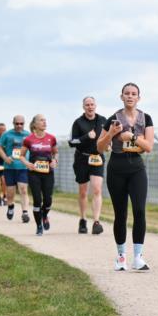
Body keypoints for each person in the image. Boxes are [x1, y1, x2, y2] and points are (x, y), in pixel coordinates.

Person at [97, 83, 154, 271]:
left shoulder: (146, 118)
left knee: (139, 210)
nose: (130, 96)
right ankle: (121, 256)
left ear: (139, 97)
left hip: (136, 168)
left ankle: (138, 256)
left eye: (134, 94)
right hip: (117, 167)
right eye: (127, 94)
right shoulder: (113, 119)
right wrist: (112, 134)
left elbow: (148, 147)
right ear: (121, 97)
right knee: (120, 213)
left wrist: (132, 137)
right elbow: (99, 147)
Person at [69, 96, 107, 234]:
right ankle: (83, 219)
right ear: (83, 107)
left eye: (92, 104)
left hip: (97, 158)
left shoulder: (103, 120)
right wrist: (86, 137)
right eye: (87, 105)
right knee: (83, 191)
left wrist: (108, 145)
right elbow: (72, 142)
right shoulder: (78, 123)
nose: (90, 107)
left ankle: (96, 222)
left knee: (97, 189)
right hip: (82, 159)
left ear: (95, 105)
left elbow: (109, 136)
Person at [21, 114, 59, 236]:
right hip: (34, 173)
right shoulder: (28, 139)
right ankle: (38, 226)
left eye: (45, 120)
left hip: (48, 173)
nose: (44, 122)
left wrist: (55, 161)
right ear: (35, 124)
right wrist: (27, 164)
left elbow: (56, 153)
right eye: (41, 120)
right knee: (37, 200)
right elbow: (21, 156)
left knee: (48, 200)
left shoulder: (51, 138)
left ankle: (45, 215)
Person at [0, 115, 32, 223]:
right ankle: (10, 206)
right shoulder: (7, 134)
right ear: (13, 123)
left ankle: (25, 212)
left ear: (24, 124)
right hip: (10, 167)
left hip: (23, 167)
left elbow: (33, 148)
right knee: (10, 192)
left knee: (23, 189)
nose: (19, 126)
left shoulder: (28, 135)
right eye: (17, 123)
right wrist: (5, 158)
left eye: (21, 123)